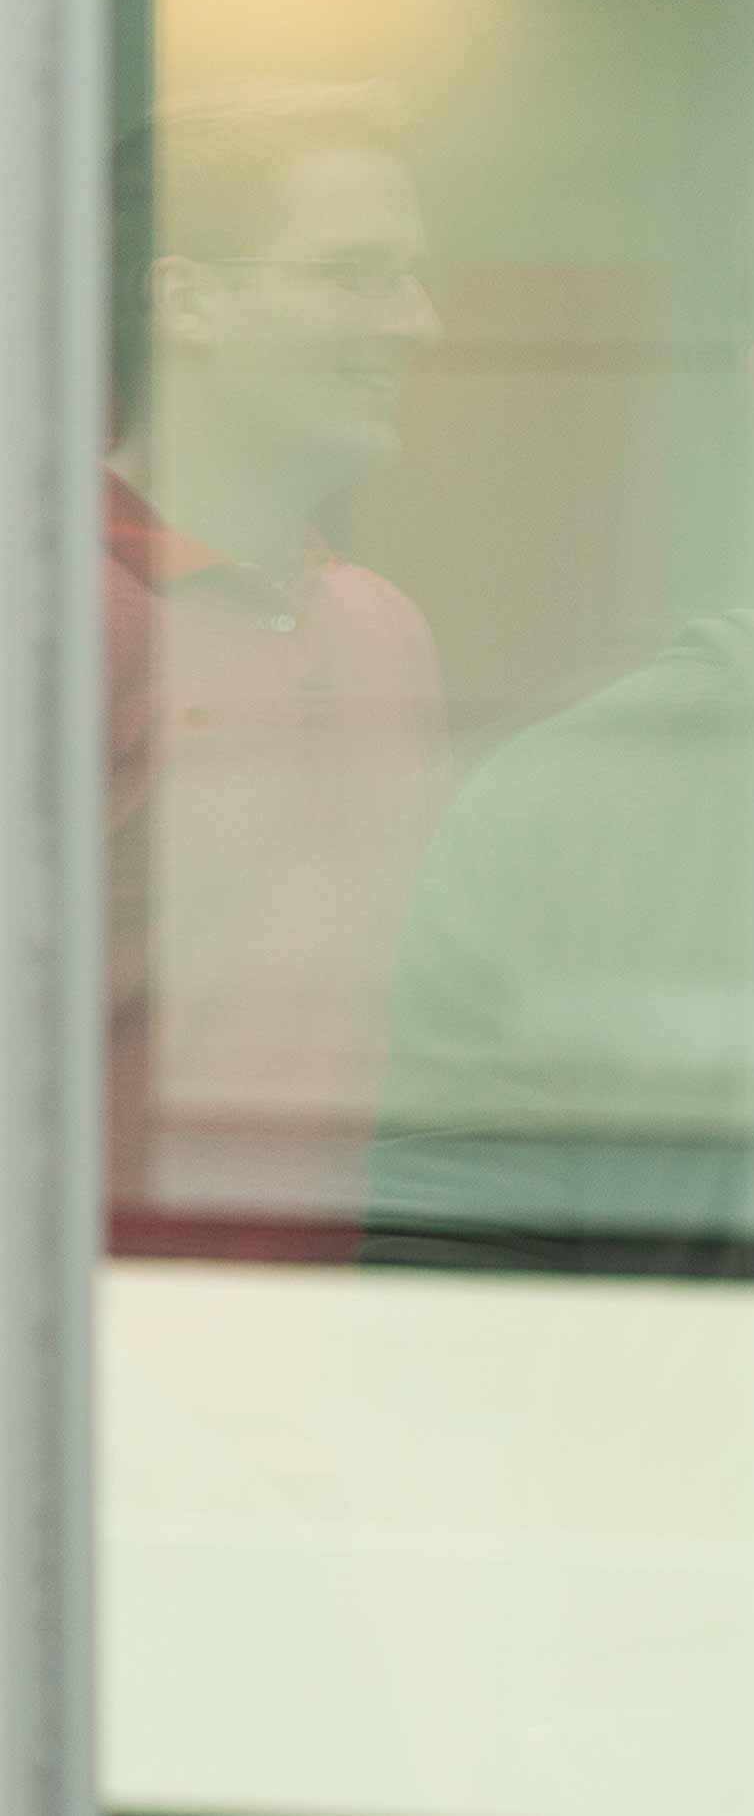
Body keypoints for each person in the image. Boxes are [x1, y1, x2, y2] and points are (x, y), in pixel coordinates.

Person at [101, 84, 456, 1257]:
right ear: (191, 299)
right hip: (74, 1392)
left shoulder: (385, 637)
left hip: (307, 1376)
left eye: (409, 276)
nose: (415, 321)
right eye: (353, 273)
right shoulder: (58, 620)